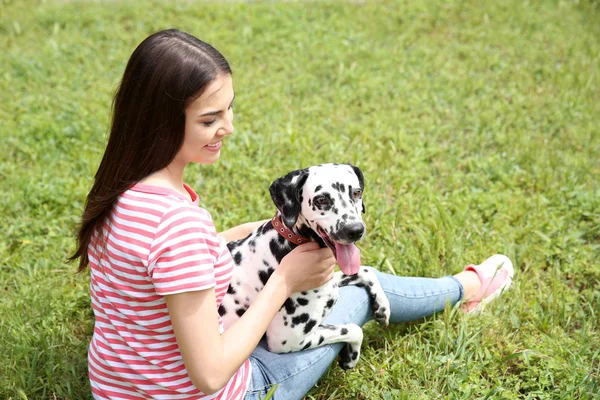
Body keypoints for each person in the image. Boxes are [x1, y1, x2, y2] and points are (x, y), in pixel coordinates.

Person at [70, 29, 515, 400]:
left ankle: (459, 288)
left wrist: (246, 232)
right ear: (160, 123)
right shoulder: (178, 225)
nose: (228, 127)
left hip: (117, 388)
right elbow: (209, 375)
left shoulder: (123, 192)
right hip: (217, 391)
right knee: (354, 289)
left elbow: (158, 265)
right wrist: (285, 280)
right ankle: (466, 288)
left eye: (229, 108)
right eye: (210, 119)